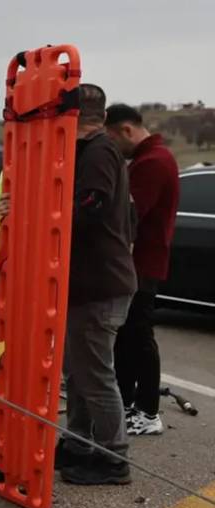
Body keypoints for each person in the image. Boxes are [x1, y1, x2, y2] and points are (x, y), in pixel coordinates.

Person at [56, 84, 137, 486]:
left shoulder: (99, 152)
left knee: (96, 376)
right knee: (79, 372)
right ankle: (78, 443)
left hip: (101, 285)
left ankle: (113, 457)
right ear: (102, 116)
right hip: (93, 283)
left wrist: (48, 215)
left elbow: (92, 205)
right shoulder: (91, 150)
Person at [105, 103, 180, 437]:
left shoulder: (152, 163)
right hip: (139, 263)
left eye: (111, 139)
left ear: (126, 130)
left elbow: (128, 217)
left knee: (138, 336)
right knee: (127, 338)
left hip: (141, 264)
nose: (113, 148)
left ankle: (148, 412)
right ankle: (127, 403)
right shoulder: (152, 158)